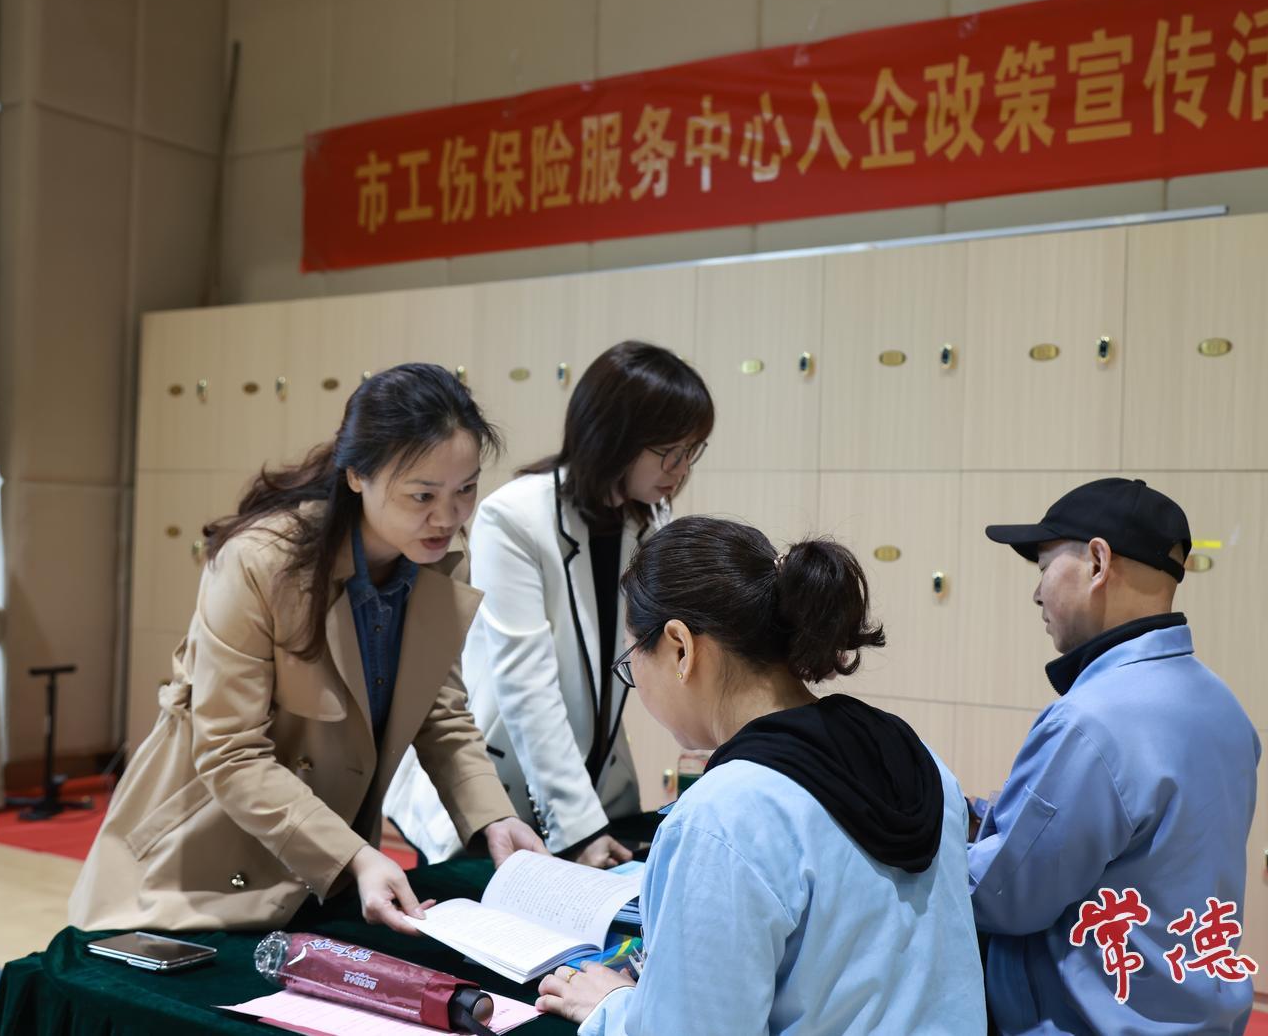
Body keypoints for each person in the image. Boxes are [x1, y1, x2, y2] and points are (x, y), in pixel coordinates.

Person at [69, 364, 546, 933]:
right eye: (422, 495)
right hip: (203, 869)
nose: (447, 517)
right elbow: (230, 752)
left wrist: (493, 817)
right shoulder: (259, 562)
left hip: (329, 868)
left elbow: (440, 714)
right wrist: (353, 854)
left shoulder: (439, 564)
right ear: (357, 476)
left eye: (465, 489)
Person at [536, 516, 987, 1034]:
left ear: (680, 647)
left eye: (631, 656)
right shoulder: (916, 755)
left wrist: (616, 1007)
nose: (633, 678)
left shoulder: (723, 816)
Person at [392, 341, 713, 867]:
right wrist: (579, 829)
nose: (680, 469)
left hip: (597, 782)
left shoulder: (651, 523)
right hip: (499, 791)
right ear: (616, 436)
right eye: (669, 451)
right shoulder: (515, 517)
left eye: (691, 452)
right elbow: (527, 686)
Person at [970, 478, 1261, 1034]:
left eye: (1043, 568)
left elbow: (1006, 897)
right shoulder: (1224, 707)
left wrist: (928, 847)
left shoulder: (1091, 722)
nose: (1037, 594)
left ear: (1098, 562)